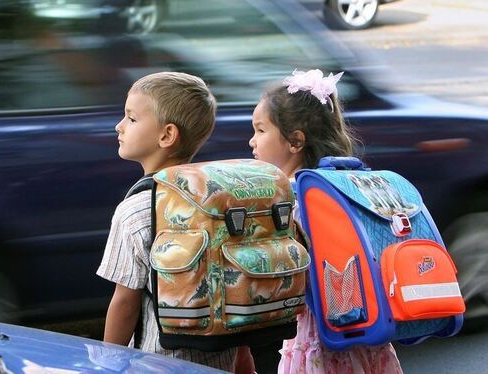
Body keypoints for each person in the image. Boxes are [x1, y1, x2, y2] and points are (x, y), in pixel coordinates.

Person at [247, 69, 404, 374]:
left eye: (261, 130)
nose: (253, 141)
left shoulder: (289, 199)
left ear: (295, 141)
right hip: (367, 329)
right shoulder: (348, 184)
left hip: (319, 337)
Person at [96, 71, 237, 371]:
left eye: (131, 119)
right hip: (220, 360)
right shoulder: (221, 202)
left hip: (156, 363)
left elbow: (124, 301)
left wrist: (108, 364)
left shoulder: (136, 211)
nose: (119, 126)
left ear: (166, 135)